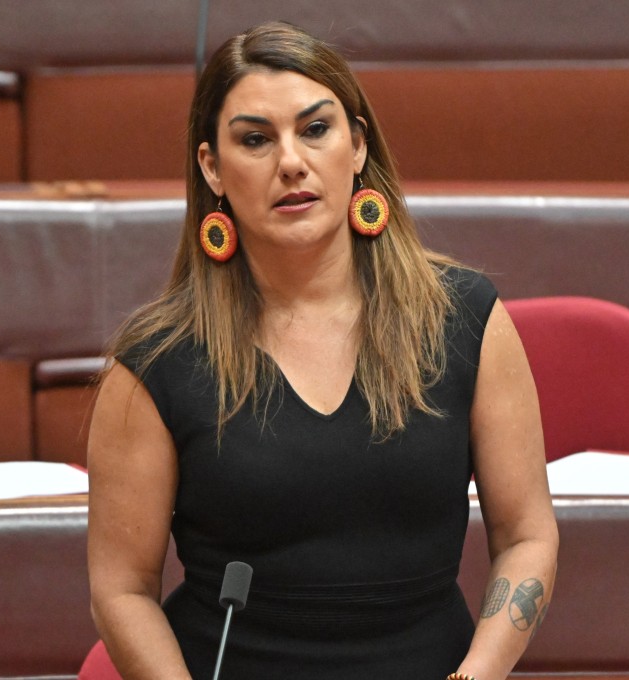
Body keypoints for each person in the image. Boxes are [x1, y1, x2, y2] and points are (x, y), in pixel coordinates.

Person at [86, 20, 558, 680]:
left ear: (358, 145)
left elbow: (526, 537)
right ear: (212, 168)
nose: (291, 161)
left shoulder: (466, 318)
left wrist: (476, 675)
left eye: (315, 129)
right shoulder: (157, 362)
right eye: (255, 139)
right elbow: (122, 588)